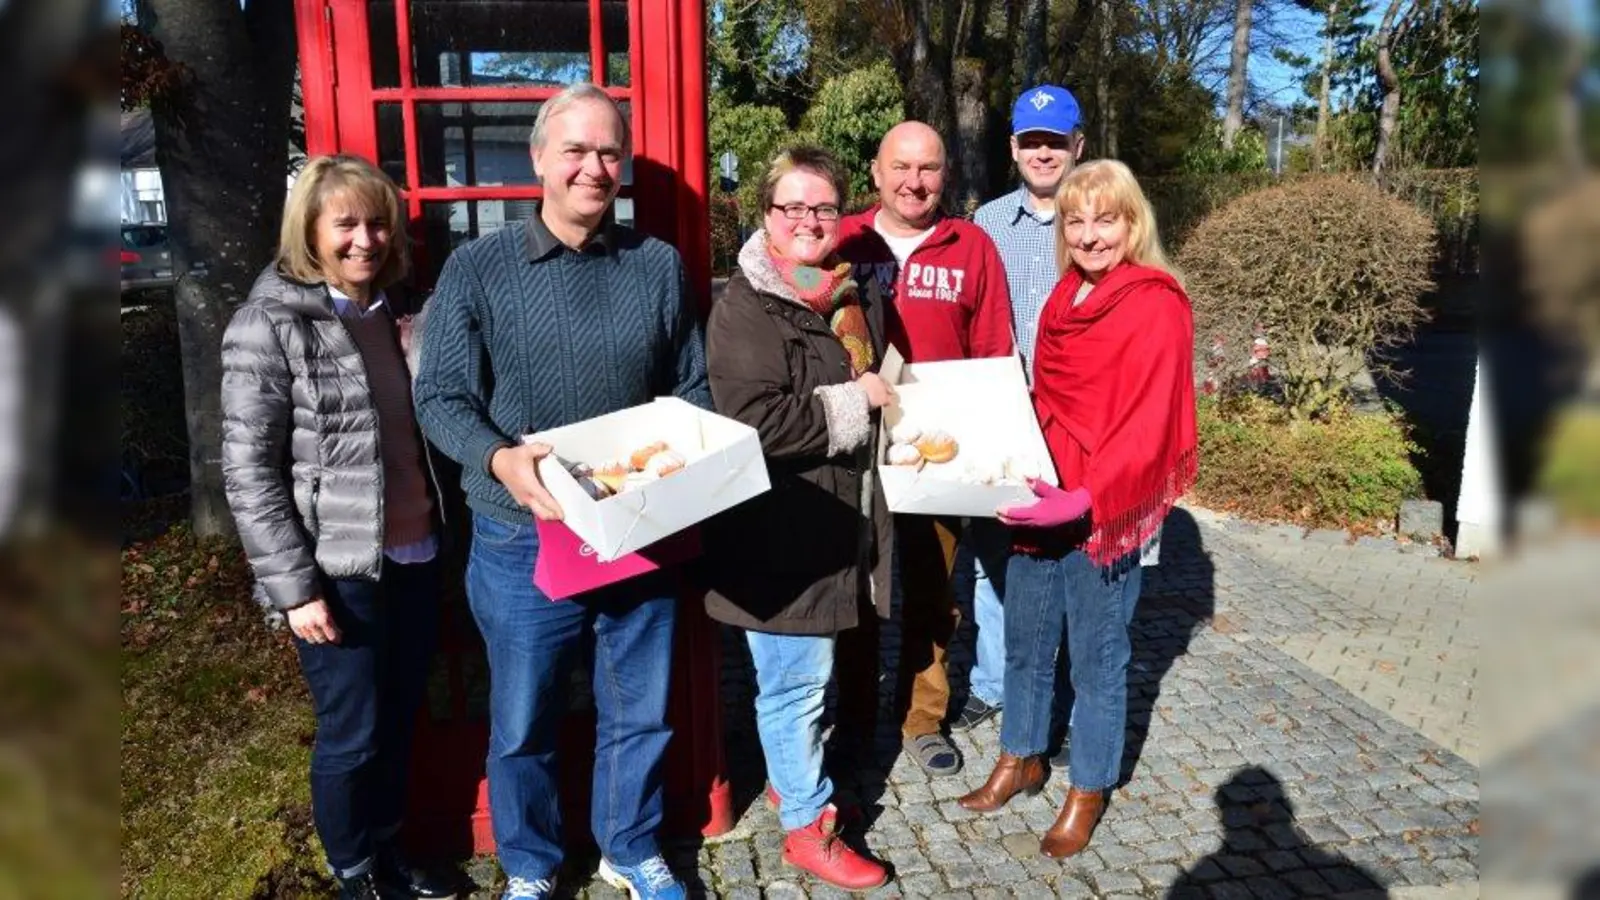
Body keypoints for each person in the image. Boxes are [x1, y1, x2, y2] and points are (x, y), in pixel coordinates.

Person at [412, 83, 708, 900]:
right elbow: (439, 396)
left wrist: (688, 459)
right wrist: (498, 459)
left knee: (641, 710)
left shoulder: (656, 265)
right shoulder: (478, 267)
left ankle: (630, 846)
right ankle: (532, 865)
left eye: (610, 152)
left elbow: (692, 385)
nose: (594, 168)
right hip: (522, 536)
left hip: (637, 525)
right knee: (522, 721)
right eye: (576, 150)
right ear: (538, 157)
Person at [220, 154, 454, 900]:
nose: (365, 240)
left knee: (400, 718)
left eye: (378, 223)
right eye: (346, 224)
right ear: (310, 232)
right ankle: (353, 873)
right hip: (337, 570)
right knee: (353, 732)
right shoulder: (270, 323)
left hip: (417, 553)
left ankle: (390, 850)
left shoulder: (400, 313)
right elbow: (248, 471)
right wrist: (295, 590)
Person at [957, 160, 1197, 860]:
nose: (1089, 235)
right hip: (1043, 499)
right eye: (1075, 221)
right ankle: (1021, 757)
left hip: (1105, 510)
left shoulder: (1156, 302)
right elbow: (1045, 399)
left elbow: (1151, 423)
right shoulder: (1064, 297)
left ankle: (1088, 786)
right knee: (1027, 642)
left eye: (1105, 219)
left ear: (1133, 223)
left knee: (1097, 660)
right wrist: (1006, 461)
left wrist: (1089, 497)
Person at [702, 145, 893, 891]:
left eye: (823, 207)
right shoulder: (747, 305)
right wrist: (859, 402)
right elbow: (754, 420)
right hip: (776, 535)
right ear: (767, 215)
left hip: (833, 525)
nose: (809, 220)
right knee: (794, 688)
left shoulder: (844, 291)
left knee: (806, 682)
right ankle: (808, 829)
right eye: (793, 207)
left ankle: (794, 785)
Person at [835, 122, 1015, 779]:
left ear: (946, 175)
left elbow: (994, 350)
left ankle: (921, 718)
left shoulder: (972, 246)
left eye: (929, 169)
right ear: (876, 172)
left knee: (932, 589)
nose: (914, 182)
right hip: (855, 442)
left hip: (937, 448)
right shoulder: (843, 239)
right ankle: (854, 717)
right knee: (855, 588)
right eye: (901, 167)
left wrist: (990, 449)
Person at [961, 84, 1087, 734]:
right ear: (1013, 148)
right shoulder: (986, 224)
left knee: (1068, 565)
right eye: (1031, 142)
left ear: (1077, 146)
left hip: (1075, 423)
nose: (1043, 153)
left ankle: (1061, 699)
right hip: (1004, 418)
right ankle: (993, 682)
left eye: (1054, 142)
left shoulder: (1096, 220)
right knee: (995, 560)